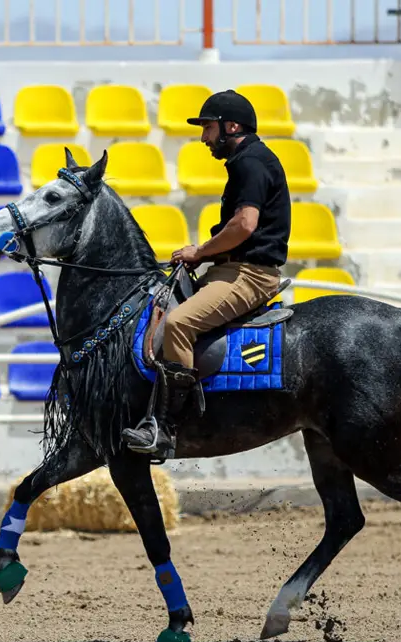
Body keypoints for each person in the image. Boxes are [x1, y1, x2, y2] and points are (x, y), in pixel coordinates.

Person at [122, 89, 292, 457]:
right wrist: (201, 256)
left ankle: (165, 428)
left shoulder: (251, 163)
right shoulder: (248, 161)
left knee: (179, 324)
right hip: (232, 268)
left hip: (249, 274)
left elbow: (245, 225)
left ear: (231, 127)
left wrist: (199, 251)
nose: (203, 138)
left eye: (208, 128)